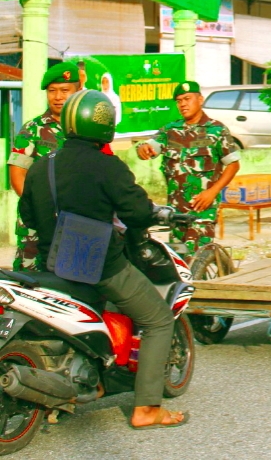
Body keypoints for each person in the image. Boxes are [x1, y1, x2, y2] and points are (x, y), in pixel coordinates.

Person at [18, 90, 187, 428]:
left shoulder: (41, 166)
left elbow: (29, 216)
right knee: (157, 320)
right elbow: (137, 213)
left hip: (51, 264)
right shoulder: (108, 166)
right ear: (106, 126)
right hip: (98, 264)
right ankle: (147, 410)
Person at [135, 82, 241, 254]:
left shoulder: (217, 130)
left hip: (202, 209)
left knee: (197, 258)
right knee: (180, 261)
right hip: (175, 212)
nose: (183, 104)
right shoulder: (170, 131)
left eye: (187, 99)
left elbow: (233, 165)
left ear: (200, 100)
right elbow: (149, 146)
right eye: (179, 101)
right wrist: (142, 148)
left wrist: (212, 192)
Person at [6, 61, 80, 270]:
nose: (58, 97)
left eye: (65, 90)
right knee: (30, 280)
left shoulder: (86, 129)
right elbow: (17, 176)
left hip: (76, 222)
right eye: (52, 91)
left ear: (78, 91)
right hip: (37, 224)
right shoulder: (33, 130)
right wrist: (41, 209)